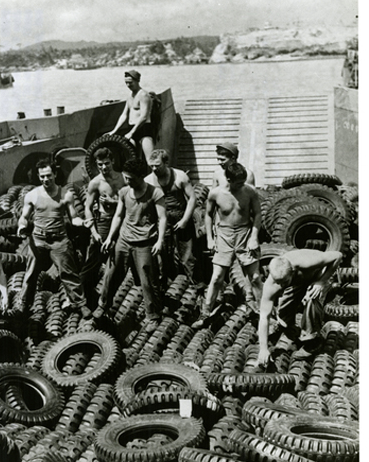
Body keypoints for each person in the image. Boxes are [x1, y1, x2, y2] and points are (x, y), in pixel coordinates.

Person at [94, 157, 167, 331]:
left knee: (147, 280)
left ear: (141, 176)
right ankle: (103, 306)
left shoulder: (155, 193)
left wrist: (160, 240)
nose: (127, 181)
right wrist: (111, 237)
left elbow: (162, 218)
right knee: (111, 274)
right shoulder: (124, 192)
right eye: (126, 177)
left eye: (130, 178)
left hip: (144, 243)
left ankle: (152, 315)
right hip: (124, 240)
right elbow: (118, 215)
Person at [17, 160, 92, 319]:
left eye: (49, 175)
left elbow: (73, 217)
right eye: (42, 176)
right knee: (30, 275)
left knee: (68, 274)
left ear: (55, 174)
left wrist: (82, 222)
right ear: (38, 176)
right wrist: (22, 226)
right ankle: (23, 304)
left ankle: (80, 305)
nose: (46, 179)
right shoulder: (32, 195)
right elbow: (24, 217)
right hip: (38, 240)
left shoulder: (66, 194)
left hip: (59, 240)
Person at [193, 163, 262, 328]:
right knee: (217, 277)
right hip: (224, 235)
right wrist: (210, 238)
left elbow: (258, 214)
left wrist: (254, 237)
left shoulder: (249, 191)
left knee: (255, 278)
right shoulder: (216, 193)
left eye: (243, 181)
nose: (241, 185)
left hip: (245, 233)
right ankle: (205, 312)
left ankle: (262, 311)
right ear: (229, 180)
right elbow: (208, 215)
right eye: (238, 183)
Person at [257, 249, 343, 365]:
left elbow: (337, 255)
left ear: (292, 271)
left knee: (312, 298)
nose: (280, 285)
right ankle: (291, 330)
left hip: (320, 274)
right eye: (278, 282)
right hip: (299, 280)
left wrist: (321, 281)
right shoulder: (272, 284)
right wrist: (263, 349)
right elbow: (263, 317)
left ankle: (313, 341)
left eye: (283, 282)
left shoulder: (307, 261)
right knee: (285, 305)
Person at [145, 149, 198, 284]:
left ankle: (196, 286)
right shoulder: (148, 181)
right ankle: (169, 288)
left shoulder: (179, 176)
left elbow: (192, 198)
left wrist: (185, 220)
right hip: (162, 220)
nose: (155, 169)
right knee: (165, 255)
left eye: (158, 165)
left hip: (181, 216)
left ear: (166, 162)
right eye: (152, 166)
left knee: (188, 257)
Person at [81, 147, 126, 307]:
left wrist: (114, 202)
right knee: (92, 264)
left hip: (122, 223)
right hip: (103, 223)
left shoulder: (123, 178)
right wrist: (94, 232)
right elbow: (87, 207)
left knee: (117, 264)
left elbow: (131, 198)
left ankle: (106, 299)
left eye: (106, 163)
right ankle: (86, 298)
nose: (104, 167)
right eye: (100, 165)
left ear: (112, 161)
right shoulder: (95, 183)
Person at [108, 70, 155, 163]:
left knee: (151, 161)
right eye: (126, 83)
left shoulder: (143, 95)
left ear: (137, 81)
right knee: (133, 161)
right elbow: (124, 115)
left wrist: (131, 133)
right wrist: (114, 131)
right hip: (131, 130)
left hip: (143, 130)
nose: (128, 85)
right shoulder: (130, 95)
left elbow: (144, 116)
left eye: (130, 83)